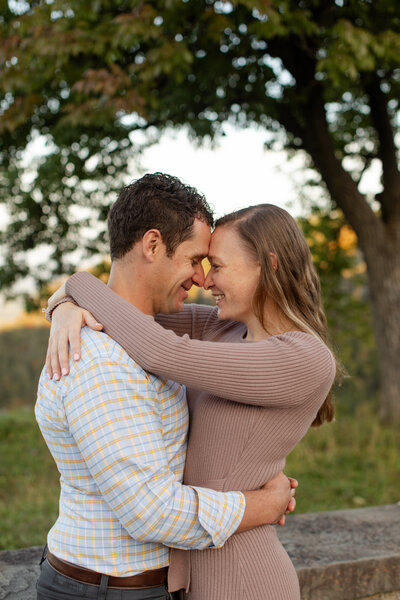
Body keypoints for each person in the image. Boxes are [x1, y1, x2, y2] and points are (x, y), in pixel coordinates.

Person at [47, 200, 337, 600]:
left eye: (216, 266)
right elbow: (125, 311)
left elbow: (158, 351)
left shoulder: (302, 358)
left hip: (243, 578)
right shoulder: (220, 329)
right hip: (184, 578)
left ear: (268, 266)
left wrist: (77, 283)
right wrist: (63, 307)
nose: (206, 280)